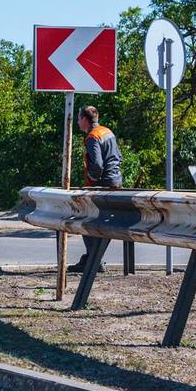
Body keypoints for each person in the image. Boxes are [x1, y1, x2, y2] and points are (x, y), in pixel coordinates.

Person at [70, 106, 123, 271]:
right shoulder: (107, 131)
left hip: (101, 184)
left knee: (86, 220)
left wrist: (92, 179)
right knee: (105, 223)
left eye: (79, 119)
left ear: (84, 119)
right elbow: (118, 156)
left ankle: (94, 260)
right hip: (115, 182)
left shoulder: (92, 137)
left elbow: (98, 165)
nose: (78, 122)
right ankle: (91, 259)